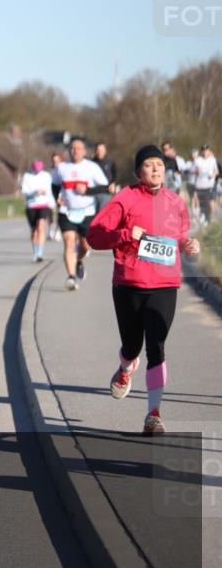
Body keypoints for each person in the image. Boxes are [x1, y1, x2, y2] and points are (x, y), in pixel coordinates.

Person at [86, 145, 200, 435]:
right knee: (132, 345)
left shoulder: (175, 202)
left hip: (164, 284)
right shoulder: (125, 198)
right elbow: (94, 236)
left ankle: (153, 414)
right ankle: (126, 366)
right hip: (128, 285)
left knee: (157, 346)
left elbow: (181, 238)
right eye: (149, 165)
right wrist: (125, 234)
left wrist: (189, 246)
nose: (156, 169)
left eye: (159, 164)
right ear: (139, 172)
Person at [55, 138, 109, 290]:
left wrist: (87, 191)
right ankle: (71, 277)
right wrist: (56, 198)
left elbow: (105, 187)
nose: (75, 151)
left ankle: (78, 260)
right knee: (69, 242)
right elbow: (54, 185)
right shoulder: (61, 167)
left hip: (87, 211)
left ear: (84, 151)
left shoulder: (91, 167)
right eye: (72, 148)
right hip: (66, 211)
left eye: (78, 148)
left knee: (85, 246)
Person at [21, 160, 56, 262]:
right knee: (34, 231)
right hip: (31, 206)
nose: (37, 171)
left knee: (41, 227)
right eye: (36, 170)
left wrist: (51, 203)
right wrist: (34, 192)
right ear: (33, 168)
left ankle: (40, 253)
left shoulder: (46, 176)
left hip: (43, 204)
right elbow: (24, 191)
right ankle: (35, 252)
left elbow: (50, 191)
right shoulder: (27, 176)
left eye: (39, 170)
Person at [193, 144, 219, 224]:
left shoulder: (213, 160)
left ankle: (207, 219)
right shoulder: (198, 160)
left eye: (206, 150)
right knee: (201, 203)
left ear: (209, 151)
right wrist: (197, 170)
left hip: (209, 185)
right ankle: (204, 217)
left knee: (208, 202)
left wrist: (213, 174)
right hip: (199, 185)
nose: (205, 152)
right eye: (203, 150)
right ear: (202, 152)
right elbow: (193, 169)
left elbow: (217, 171)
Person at [93, 142, 118, 212]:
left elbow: (115, 174)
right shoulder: (91, 163)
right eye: (98, 150)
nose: (99, 152)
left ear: (105, 151)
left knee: (103, 214)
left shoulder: (110, 161)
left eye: (101, 150)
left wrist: (113, 184)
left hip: (105, 192)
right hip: (93, 193)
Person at [49, 151, 64, 242]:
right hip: (49, 196)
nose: (55, 163)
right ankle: (51, 230)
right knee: (50, 214)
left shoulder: (64, 169)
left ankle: (58, 231)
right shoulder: (50, 171)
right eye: (54, 161)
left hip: (60, 195)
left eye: (57, 160)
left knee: (59, 213)